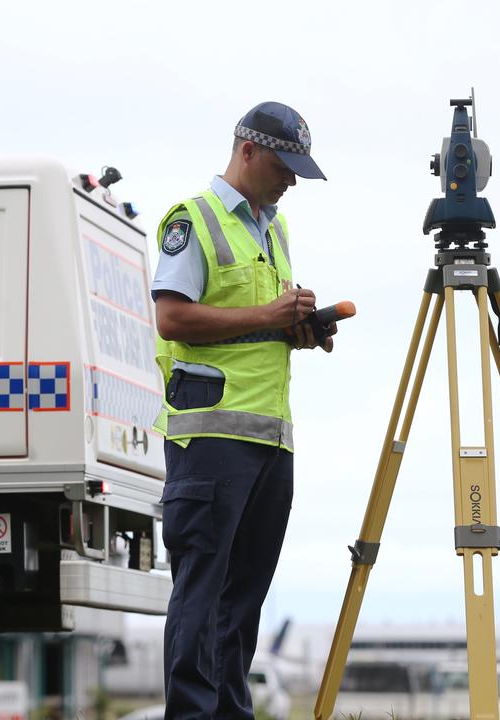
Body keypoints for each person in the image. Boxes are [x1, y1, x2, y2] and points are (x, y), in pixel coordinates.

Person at [150, 101, 333, 720]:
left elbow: (257, 326)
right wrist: (267, 317)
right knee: (202, 596)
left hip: (269, 440)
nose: (290, 180)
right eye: (284, 166)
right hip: (210, 439)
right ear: (248, 151)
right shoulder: (192, 220)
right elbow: (172, 317)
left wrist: (299, 328)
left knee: (243, 602)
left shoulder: (272, 228)